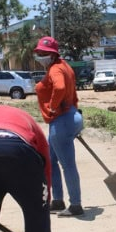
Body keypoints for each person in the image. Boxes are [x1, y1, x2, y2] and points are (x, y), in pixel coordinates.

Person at [33, 36, 85, 217]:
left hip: (62, 120)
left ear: (52, 54)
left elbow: (61, 88)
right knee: (50, 160)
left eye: (44, 54)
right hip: (70, 116)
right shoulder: (64, 66)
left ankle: (76, 205)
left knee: (67, 165)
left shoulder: (55, 69)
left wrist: (53, 106)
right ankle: (57, 200)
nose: (40, 56)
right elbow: (71, 90)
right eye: (39, 53)